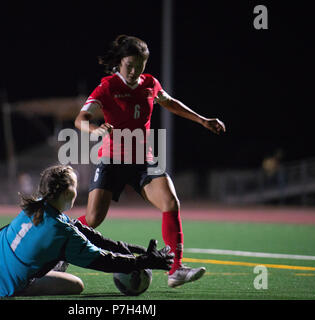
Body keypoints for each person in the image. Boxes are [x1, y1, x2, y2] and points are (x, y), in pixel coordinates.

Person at [74, 35, 226, 288]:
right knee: (93, 218)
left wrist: (202, 120)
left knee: (170, 202)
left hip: (144, 159)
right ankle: (61, 243)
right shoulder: (107, 86)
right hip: (112, 160)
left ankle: (176, 269)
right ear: (119, 62)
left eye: (140, 65)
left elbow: (170, 103)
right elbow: (80, 119)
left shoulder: (150, 83)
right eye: (129, 65)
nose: (134, 71)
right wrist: (95, 130)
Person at [0, 165, 174, 297]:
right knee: (76, 285)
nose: (79, 192)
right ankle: (26, 284)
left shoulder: (36, 204)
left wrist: (135, 252)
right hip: (2, 286)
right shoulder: (63, 233)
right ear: (65, 193)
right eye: (75, 187)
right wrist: (145, 262)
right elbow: (104, 260)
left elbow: (94, 237)